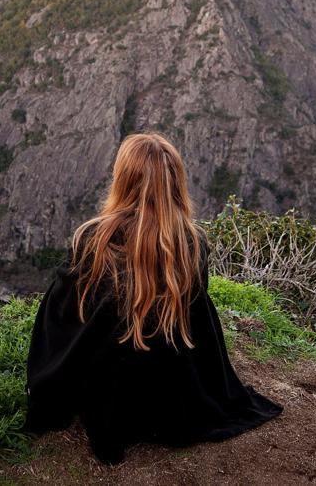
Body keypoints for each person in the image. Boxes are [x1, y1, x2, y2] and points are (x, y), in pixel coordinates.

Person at [24, 132, 282, 465]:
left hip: (111, 394)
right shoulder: (193, 243)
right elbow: (196, 323)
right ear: (176, 185)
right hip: (170, 395)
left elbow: (64, 317)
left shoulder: (94, 240)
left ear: (124, 181)